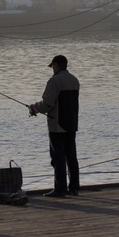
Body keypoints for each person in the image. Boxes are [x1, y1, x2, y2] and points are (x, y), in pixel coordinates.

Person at [29, 54, 81, 197]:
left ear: (56, 65)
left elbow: (47, 104)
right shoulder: (74, 80)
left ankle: (60, 189)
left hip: (57, 125)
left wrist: (33, 108)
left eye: (52, 66)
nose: (52, 69)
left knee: (58, 158)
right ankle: (74, 187)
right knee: (71, 157)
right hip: (71, 124)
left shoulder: (54, 81)